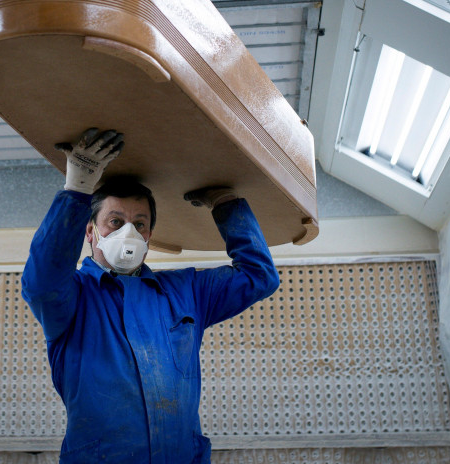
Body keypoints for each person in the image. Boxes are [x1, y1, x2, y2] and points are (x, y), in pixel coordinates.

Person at [21, 128, 280, 464]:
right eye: (115, 221)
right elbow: (41, 280)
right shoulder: (73, 299)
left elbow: (259, 277)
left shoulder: (186, 292)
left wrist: (225, 203)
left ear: (149, 235)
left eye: (139, 224)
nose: (129, 232)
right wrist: (78, 187)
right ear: (91, 232)